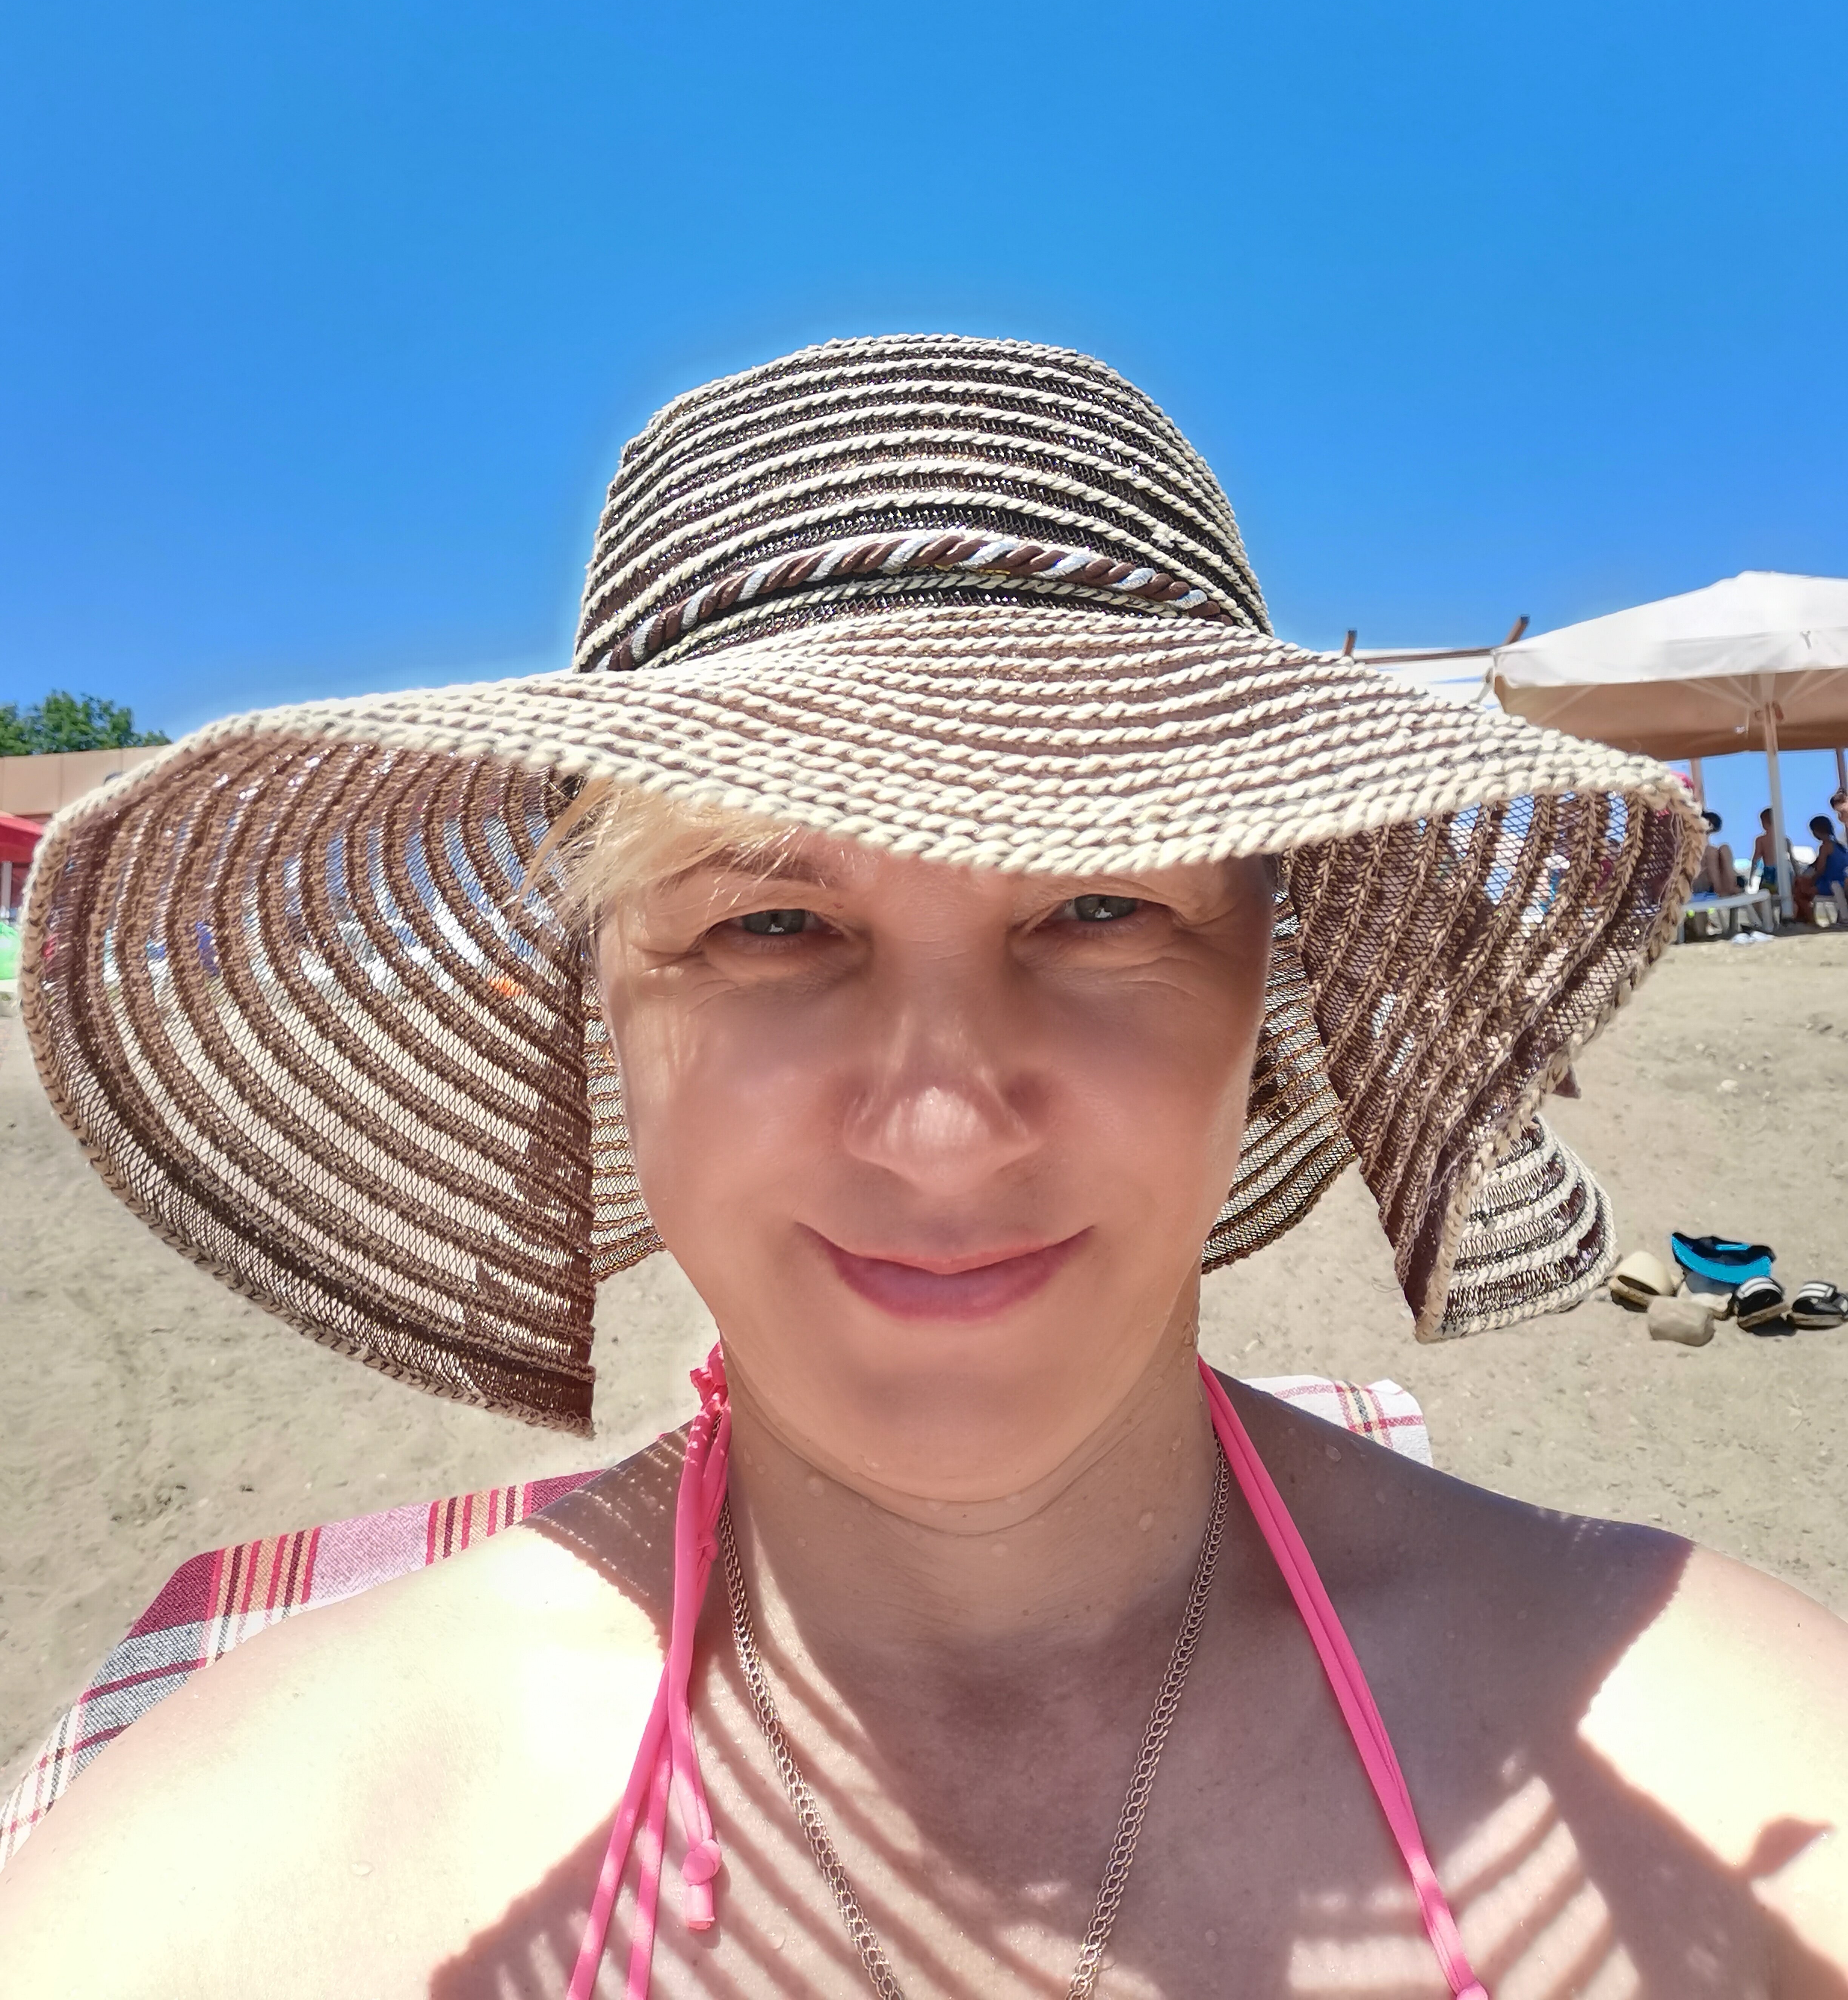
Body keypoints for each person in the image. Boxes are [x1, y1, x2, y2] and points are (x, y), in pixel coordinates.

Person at [3, 336, 1846, 1999]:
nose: (944, 1128)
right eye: (773, 922)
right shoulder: (210, 1898)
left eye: (1100, 904)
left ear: (1269, 1000)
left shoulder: (1755, 1772)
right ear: (600, 1012)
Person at [1794, 814, 1848, 924]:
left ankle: (1810, 921)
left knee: (1800, 894)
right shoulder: (1840, 847)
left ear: (1816, 831)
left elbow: (1821, 869)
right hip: (1842, 882)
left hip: (1831, 884)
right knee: (1802, 886)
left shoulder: (1825, 847)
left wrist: (1811, 882)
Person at [1697, 808, 1740, 896]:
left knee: (1725, 849)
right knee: (1711, 852)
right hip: (1701, 880)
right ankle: (1719, 889)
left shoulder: (1708, 846)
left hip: (1717, 878)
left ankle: (1731, 886)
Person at [1751, 805, 1785, 892]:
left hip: (1770, 873)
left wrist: (1751, 877)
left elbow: (1756, 860)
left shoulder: (1761, 840)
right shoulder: (1785, 840)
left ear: (1764, 823)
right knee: (1785, 896)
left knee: (1767, 897)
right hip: (1784, 872)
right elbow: (1793, 860)